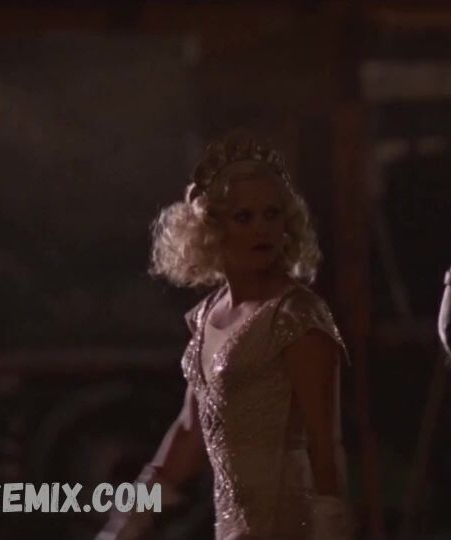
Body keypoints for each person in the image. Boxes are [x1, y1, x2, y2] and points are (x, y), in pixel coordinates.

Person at [97, 130, 355, 540]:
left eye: (272, 214)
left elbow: (323, 442)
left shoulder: (296, 315)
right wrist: (128, 521)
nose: (262, 229)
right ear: (212, 229)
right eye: (244, 217)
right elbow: (190, 432)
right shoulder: (207, 316)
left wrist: (330, 528)